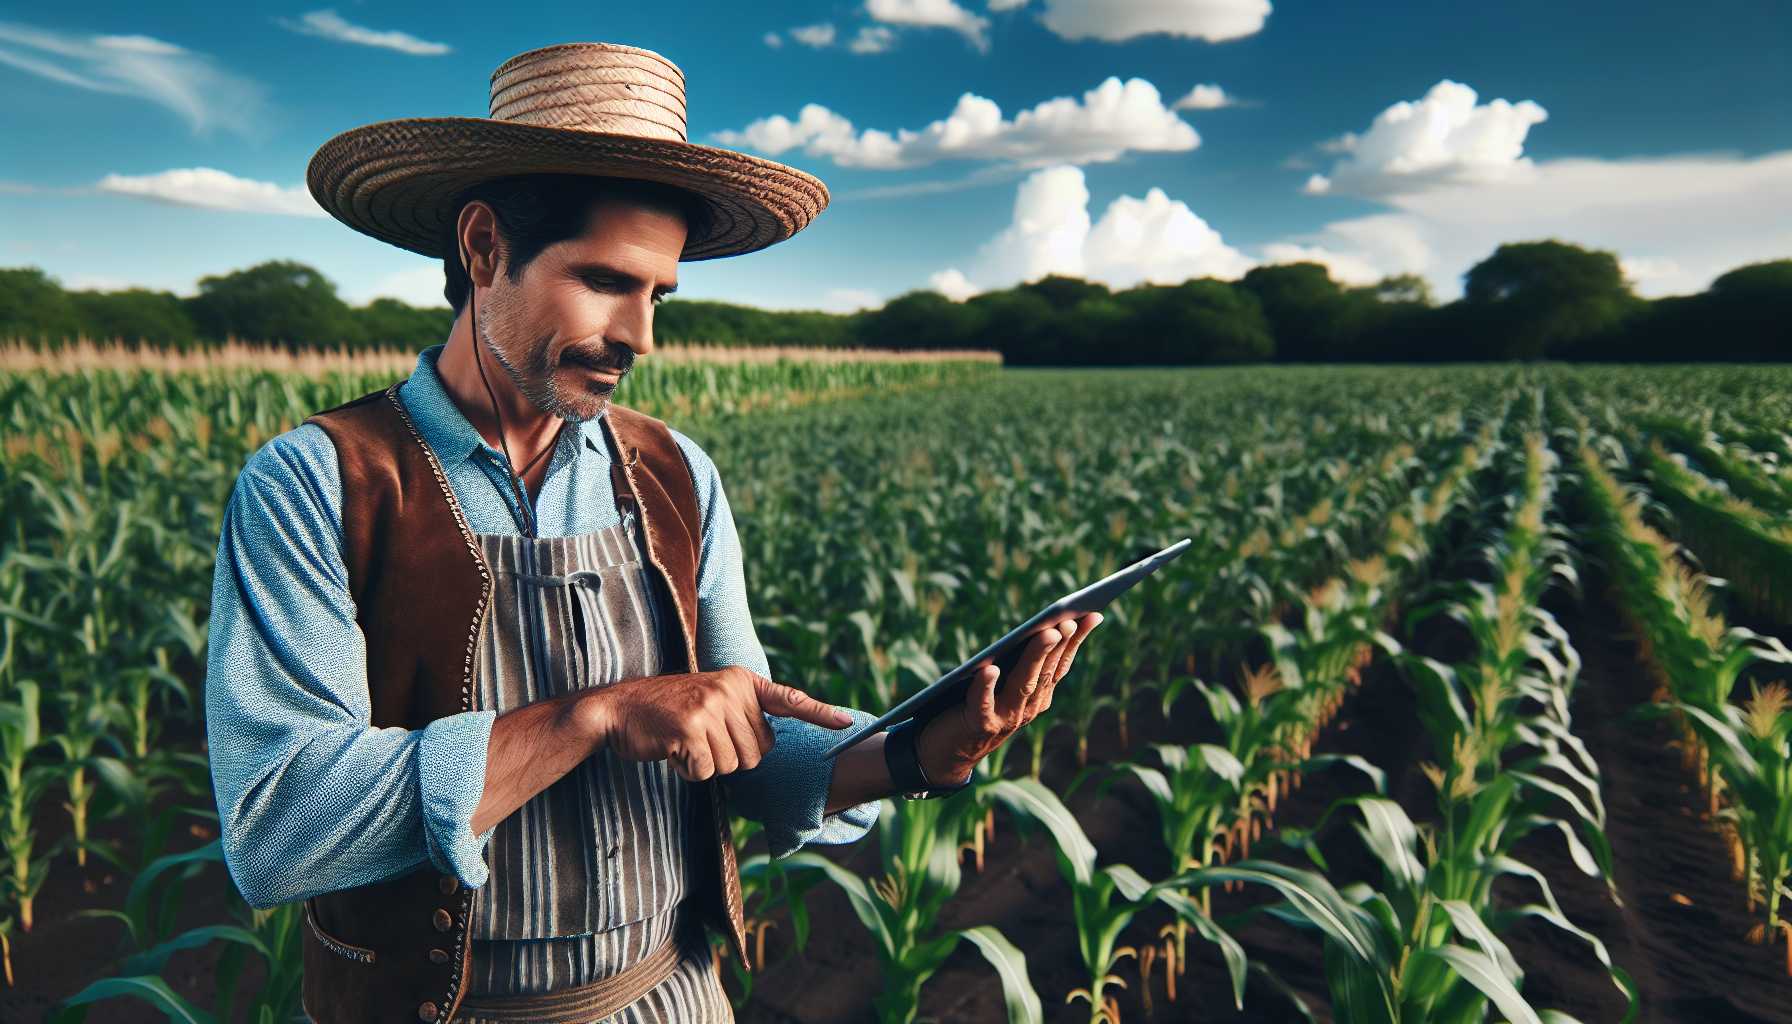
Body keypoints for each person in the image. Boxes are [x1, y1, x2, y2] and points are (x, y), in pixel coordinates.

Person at [205, 40, 1101, 1024]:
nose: (640, 337)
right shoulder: (322, 482)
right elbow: (282, 826)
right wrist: (594, 714)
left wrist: (915, 755)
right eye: (602, 281)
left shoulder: (676, 473)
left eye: (657, 294)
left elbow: (742, 744)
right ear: (482, 247)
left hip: (670, 996)